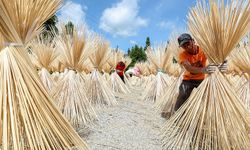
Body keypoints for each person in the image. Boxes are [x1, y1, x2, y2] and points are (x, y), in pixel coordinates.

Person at [172, 33, 227, 112]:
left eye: (188, 43)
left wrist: (222, 63)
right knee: (183, 93)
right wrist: (203, 70)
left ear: (193, 41)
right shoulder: (182, 55)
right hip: (188, 80)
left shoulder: (203, 50)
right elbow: (188, 68)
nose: (187, 47)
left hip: (201, 80)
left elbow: (215, 58)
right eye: (184, 46)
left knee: (209, 95)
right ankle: (176, 114)